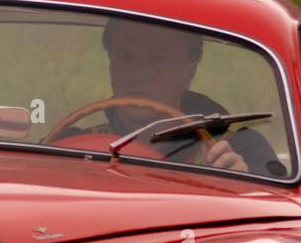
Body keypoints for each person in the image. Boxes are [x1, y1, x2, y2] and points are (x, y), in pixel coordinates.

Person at [97, 18, 282, 177]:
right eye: (126, 56)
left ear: (189, 72)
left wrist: (242, 186)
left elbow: (274, 209)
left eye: (158, 59)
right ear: (111, 65)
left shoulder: (241, 147)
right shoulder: (74, 143)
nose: (139, 74)